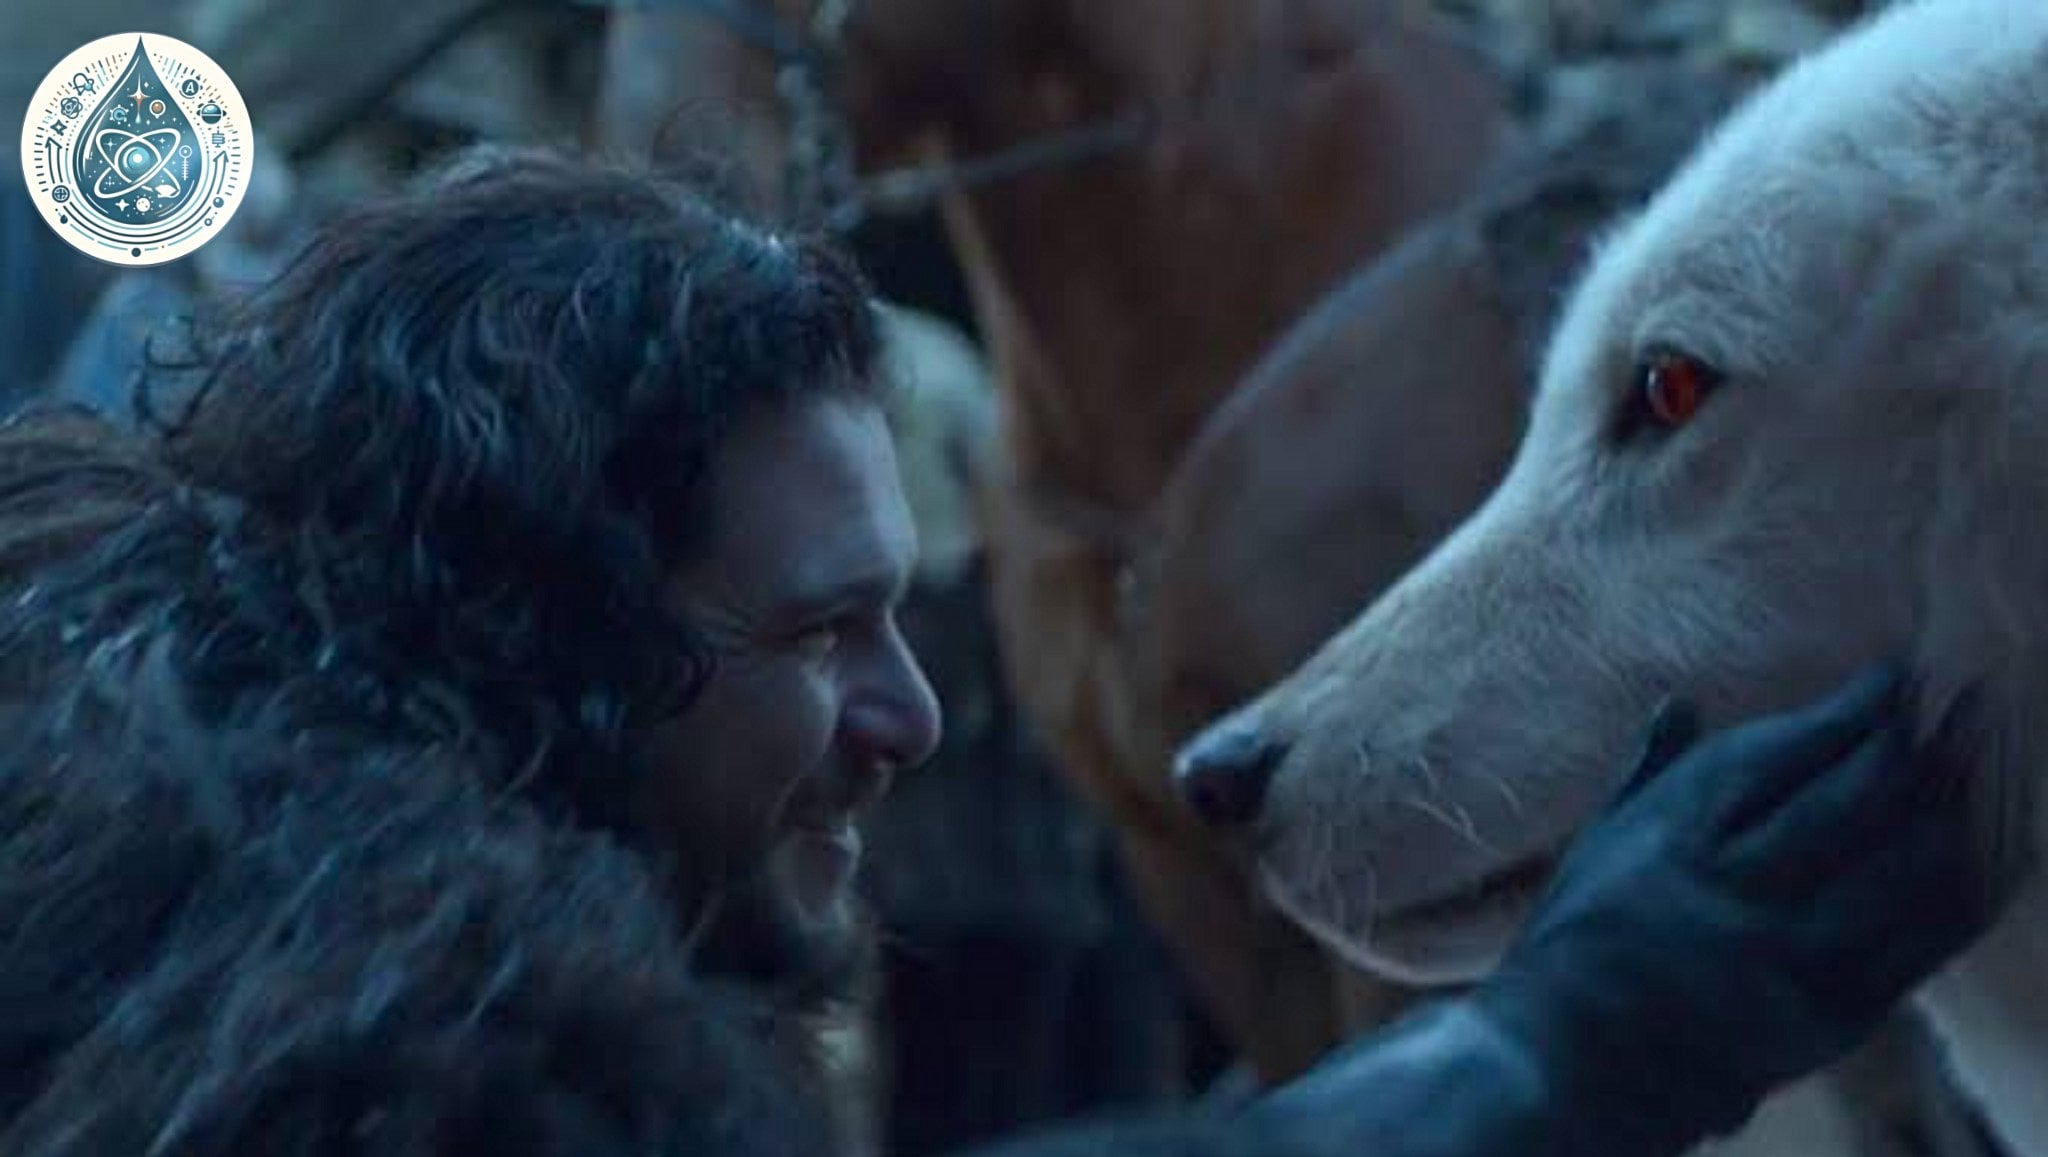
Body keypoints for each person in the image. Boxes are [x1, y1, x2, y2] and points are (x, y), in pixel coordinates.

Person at [0, 146, 2009, 1156]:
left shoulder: (223, 814)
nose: (915, 714)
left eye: (901, 608)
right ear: (542, 625)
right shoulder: (315, 995)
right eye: (820, 628)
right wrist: (1536, 1060)